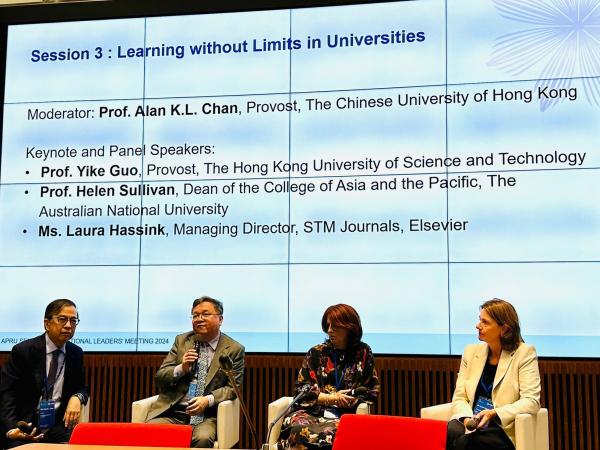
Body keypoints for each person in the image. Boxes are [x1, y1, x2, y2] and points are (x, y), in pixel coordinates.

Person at [145, 296, 244, 448]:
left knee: (203, 439)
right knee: (148, 432)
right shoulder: (182, 341)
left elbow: (233, 388)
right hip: (173, 411)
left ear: (220, 319)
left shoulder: (234, 349)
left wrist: (207, 400)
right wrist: (182, 368)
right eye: (195, 315)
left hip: (205, 416)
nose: (199, 319)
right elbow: (159, 378)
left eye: (205, 314)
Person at [278, 304, 379, 450]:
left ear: (349, 327)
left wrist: (352, 400)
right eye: (328, 326)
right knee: (299, 431)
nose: (330, 330)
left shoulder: (363, 352)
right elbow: (300, 391)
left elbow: (372, 391)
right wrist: (331, 398)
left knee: (342, 433)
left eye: (335, 326)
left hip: (344, 415)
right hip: (311, 413)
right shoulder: (316, 353)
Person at [446, 298, 541, 450]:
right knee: (449, 432)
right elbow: (460, 396)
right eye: (479, 320)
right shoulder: (470, 352)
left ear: (504, 329)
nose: (478, 326)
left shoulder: (524, 353)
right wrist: (466, 419)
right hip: (471, 419)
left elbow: (531, 401)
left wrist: (494, 413)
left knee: (465, 443)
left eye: (485, 322)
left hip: (500, 427)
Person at [0, 299, 89, 448]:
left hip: (58, 428)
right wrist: (11, 430)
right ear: (47, 323)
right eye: (62, 319)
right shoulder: (24, 351)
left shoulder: (75, 352)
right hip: (25, 426)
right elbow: (6, 394)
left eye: (73, 321)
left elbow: (82, 388)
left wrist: (77, 397)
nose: (68, 325)